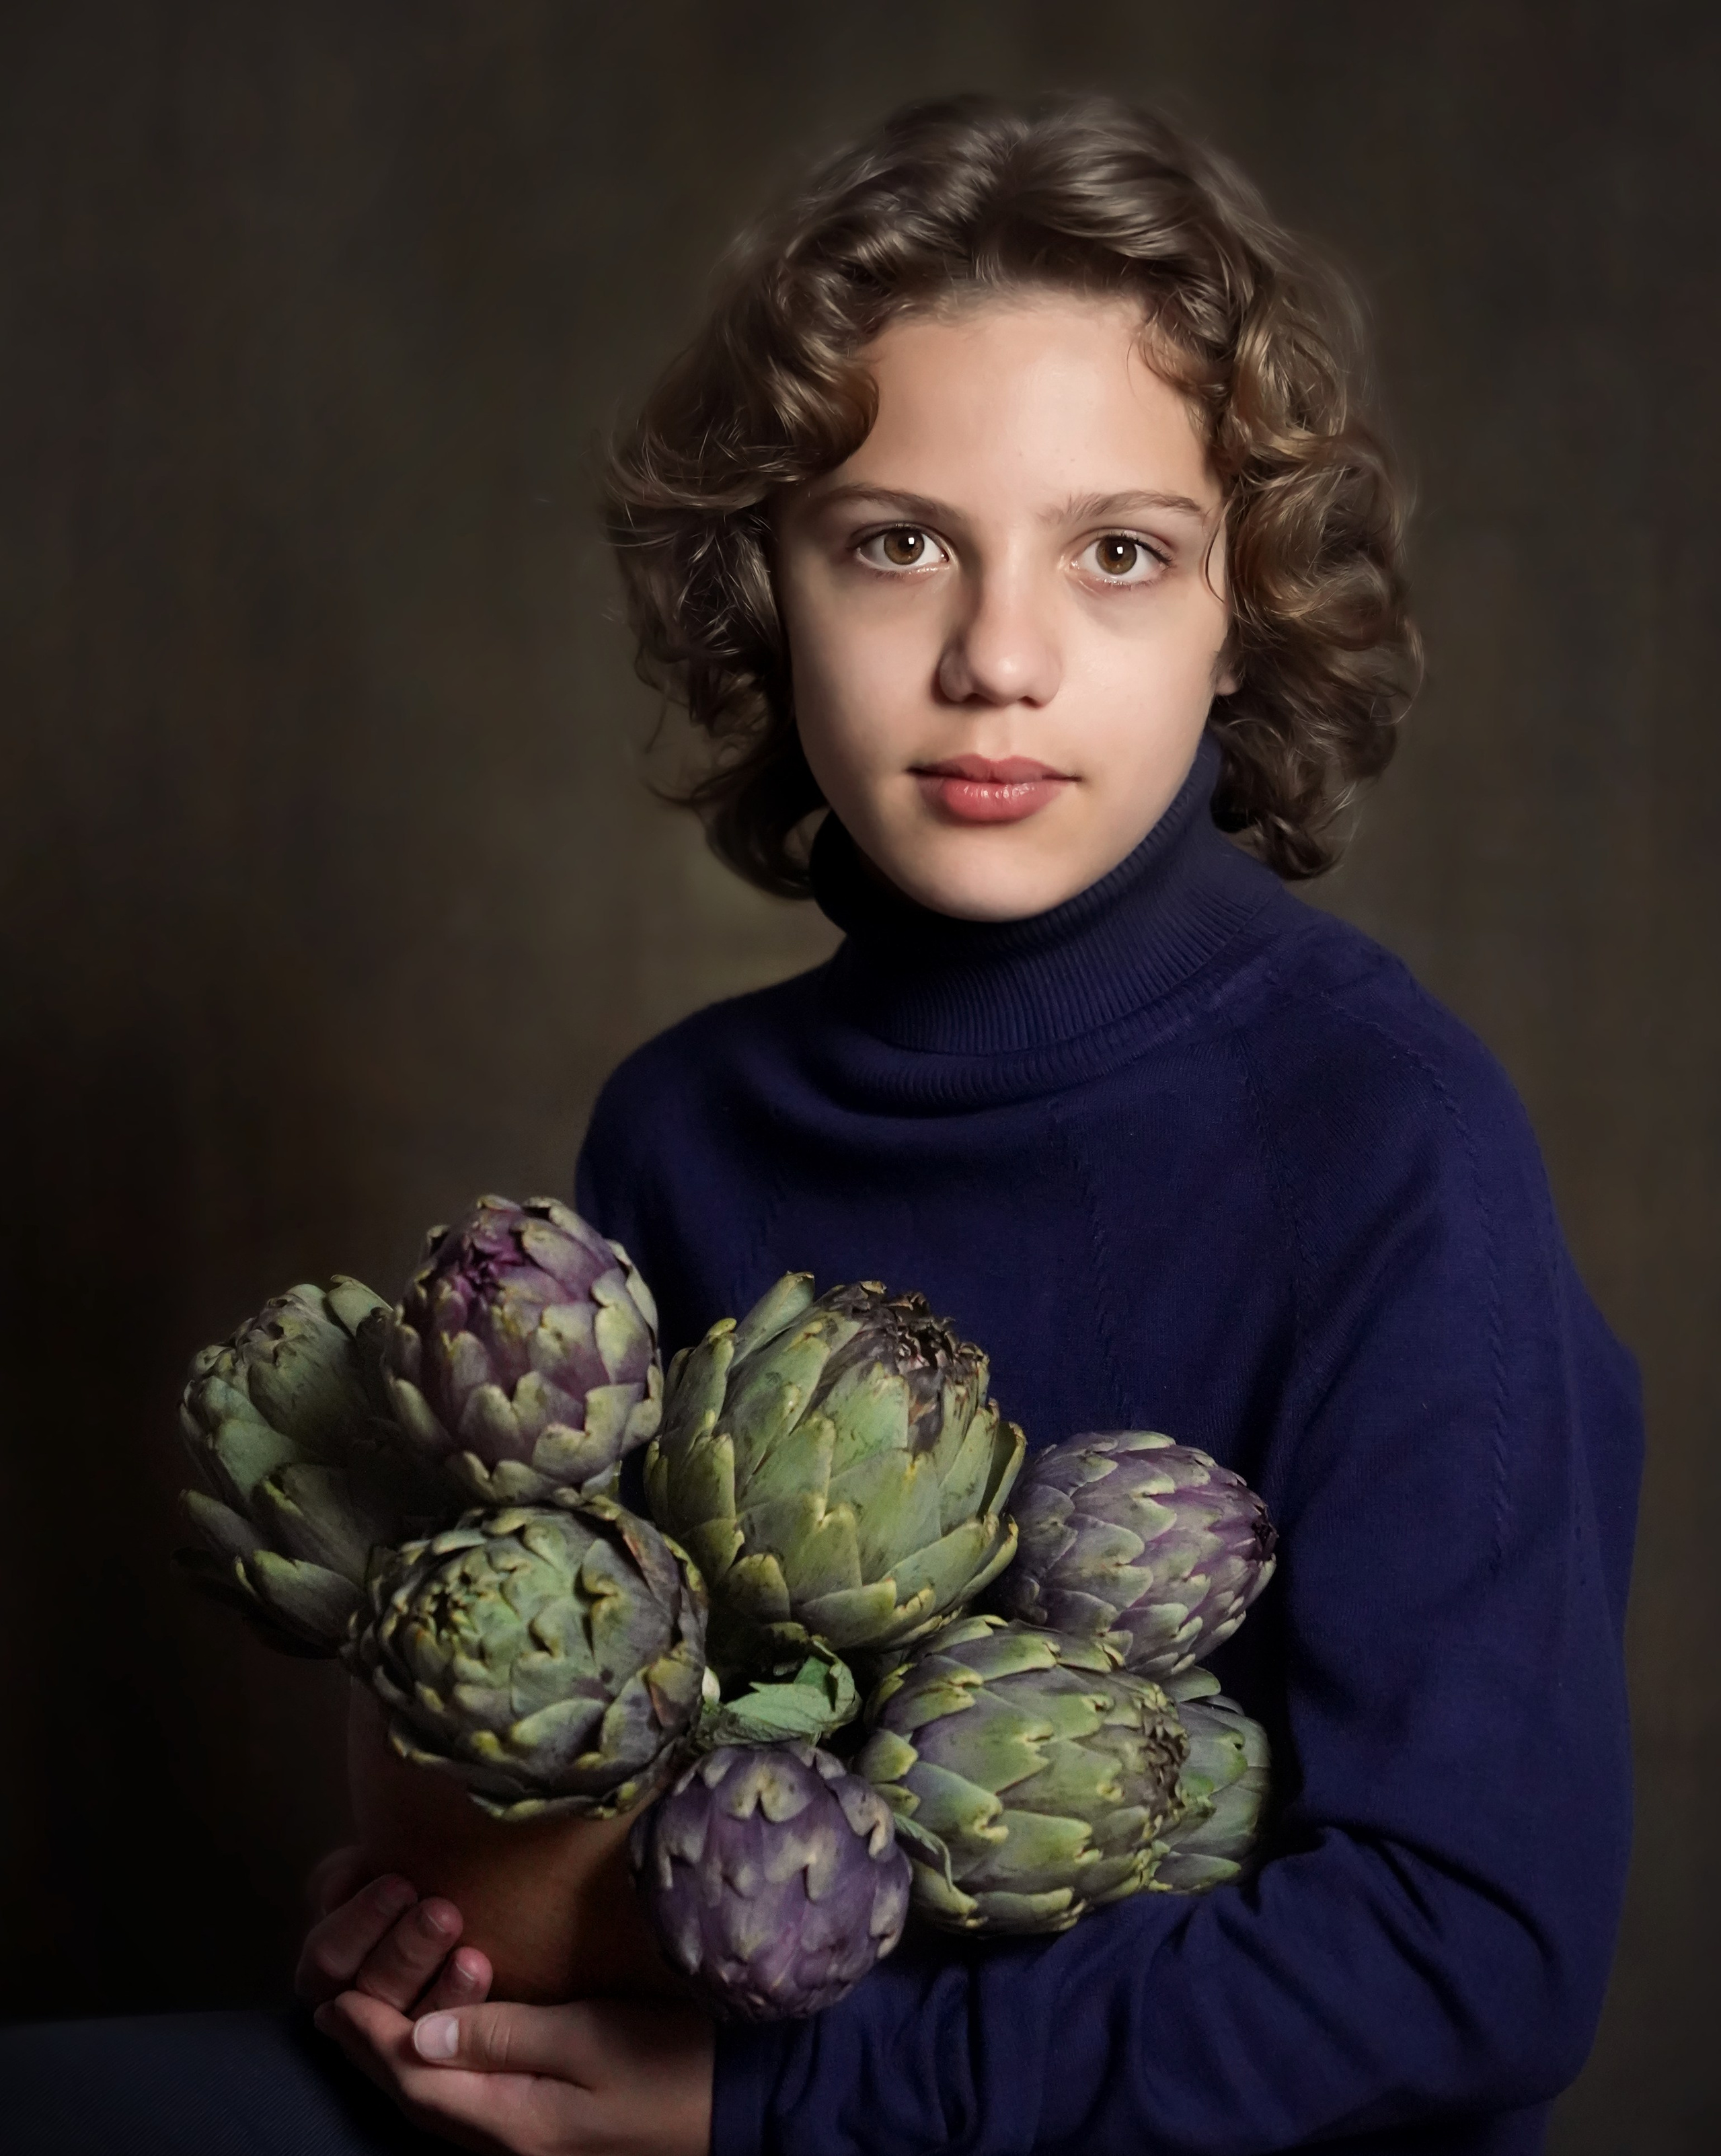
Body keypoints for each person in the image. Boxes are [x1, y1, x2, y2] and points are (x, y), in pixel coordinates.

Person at [5, 91, 1640, 2156]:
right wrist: (446, 1933)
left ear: (1246, 619)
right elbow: (627, 1784)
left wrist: (776, 2110)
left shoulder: (1394, 1144)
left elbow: (1466, 1958)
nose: (998, 660)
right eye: (896, 544)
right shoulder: (684, 1129)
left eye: (1120, 555)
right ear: (767, 589)